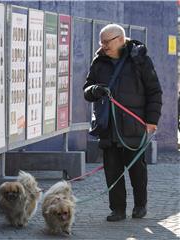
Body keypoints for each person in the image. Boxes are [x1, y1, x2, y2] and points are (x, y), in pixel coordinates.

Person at [83, 24, 162, 221]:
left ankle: (140, 205)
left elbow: (154, 91)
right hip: (108, 126)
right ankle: (117, 209)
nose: (103, 46)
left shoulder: (139, 60)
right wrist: (94, 90)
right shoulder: (98, 62)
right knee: (112, 171)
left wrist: (152, 120)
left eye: (106, 41)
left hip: (134, 125)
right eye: (101, 42)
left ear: (120, 39)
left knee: (137, 170)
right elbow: (86, 89)